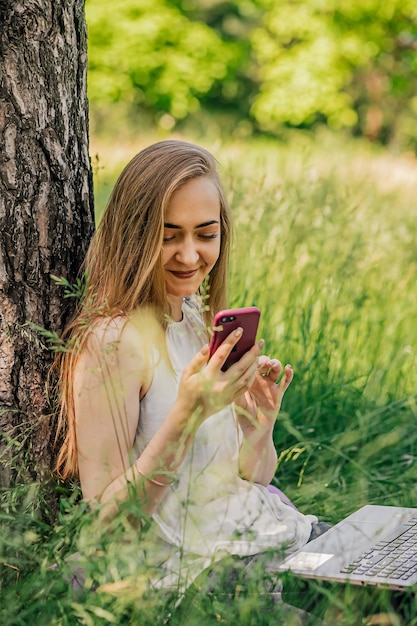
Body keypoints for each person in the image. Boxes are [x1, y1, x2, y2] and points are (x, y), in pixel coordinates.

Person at [54, 139, 319, 602]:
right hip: (195, 574)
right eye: (168, 234)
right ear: (134, 235)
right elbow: (109, 528)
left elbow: (249, 479)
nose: (190, 255)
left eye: (205, 233)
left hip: (263, 535)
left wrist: (258, 423)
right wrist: (188, 415)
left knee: (398, 570)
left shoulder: (196, 318)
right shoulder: (113, 342)